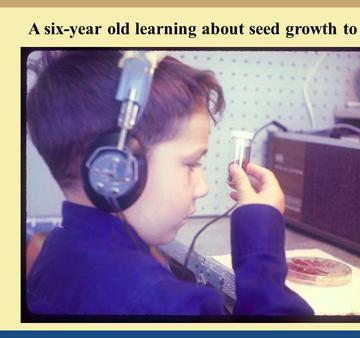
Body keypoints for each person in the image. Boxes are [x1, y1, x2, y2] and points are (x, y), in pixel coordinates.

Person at [26, 50, 314, 316]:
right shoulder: (164, 305)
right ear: (117, 166)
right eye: (191, 164)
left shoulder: (52, 254)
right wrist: (261, 244)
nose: (203, 188)